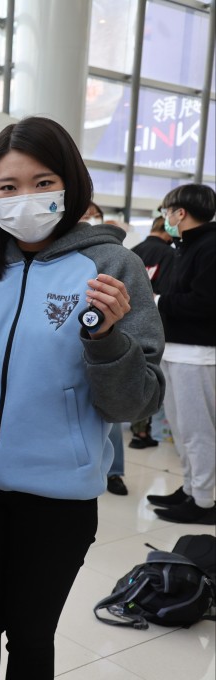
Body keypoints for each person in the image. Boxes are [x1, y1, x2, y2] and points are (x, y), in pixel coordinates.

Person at [0, 116, 164, 679]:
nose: (25, 198)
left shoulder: (114, 268)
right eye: (8, 187)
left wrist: (106, 339)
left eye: (43, 182)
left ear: (71, 184)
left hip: (58, 497)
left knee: (29, 633)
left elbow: (135, 404)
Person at [148, 183, 216, 525]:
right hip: (176, 349)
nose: (165, 217)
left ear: (180, 212)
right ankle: (190, 488)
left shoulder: (210, 246)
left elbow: (205, 303)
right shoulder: (185, 246)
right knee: (180, 426)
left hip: (198, 353)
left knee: (198, 431)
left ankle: (204, 500)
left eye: (166, 210)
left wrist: (159, 301)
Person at [80, 201, 129, 496]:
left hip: (103, 353)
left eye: (90, 215)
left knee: (110, 419)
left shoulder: (115, 261)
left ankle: (116, 472)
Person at [128, 215, 176, 449]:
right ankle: (144, 431)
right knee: (151, 374)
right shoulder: (169, 254)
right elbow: (166, 291)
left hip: (127, 320)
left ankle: (138, 431)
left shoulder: (133, 250)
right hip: (155, 323)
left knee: (134, 373)